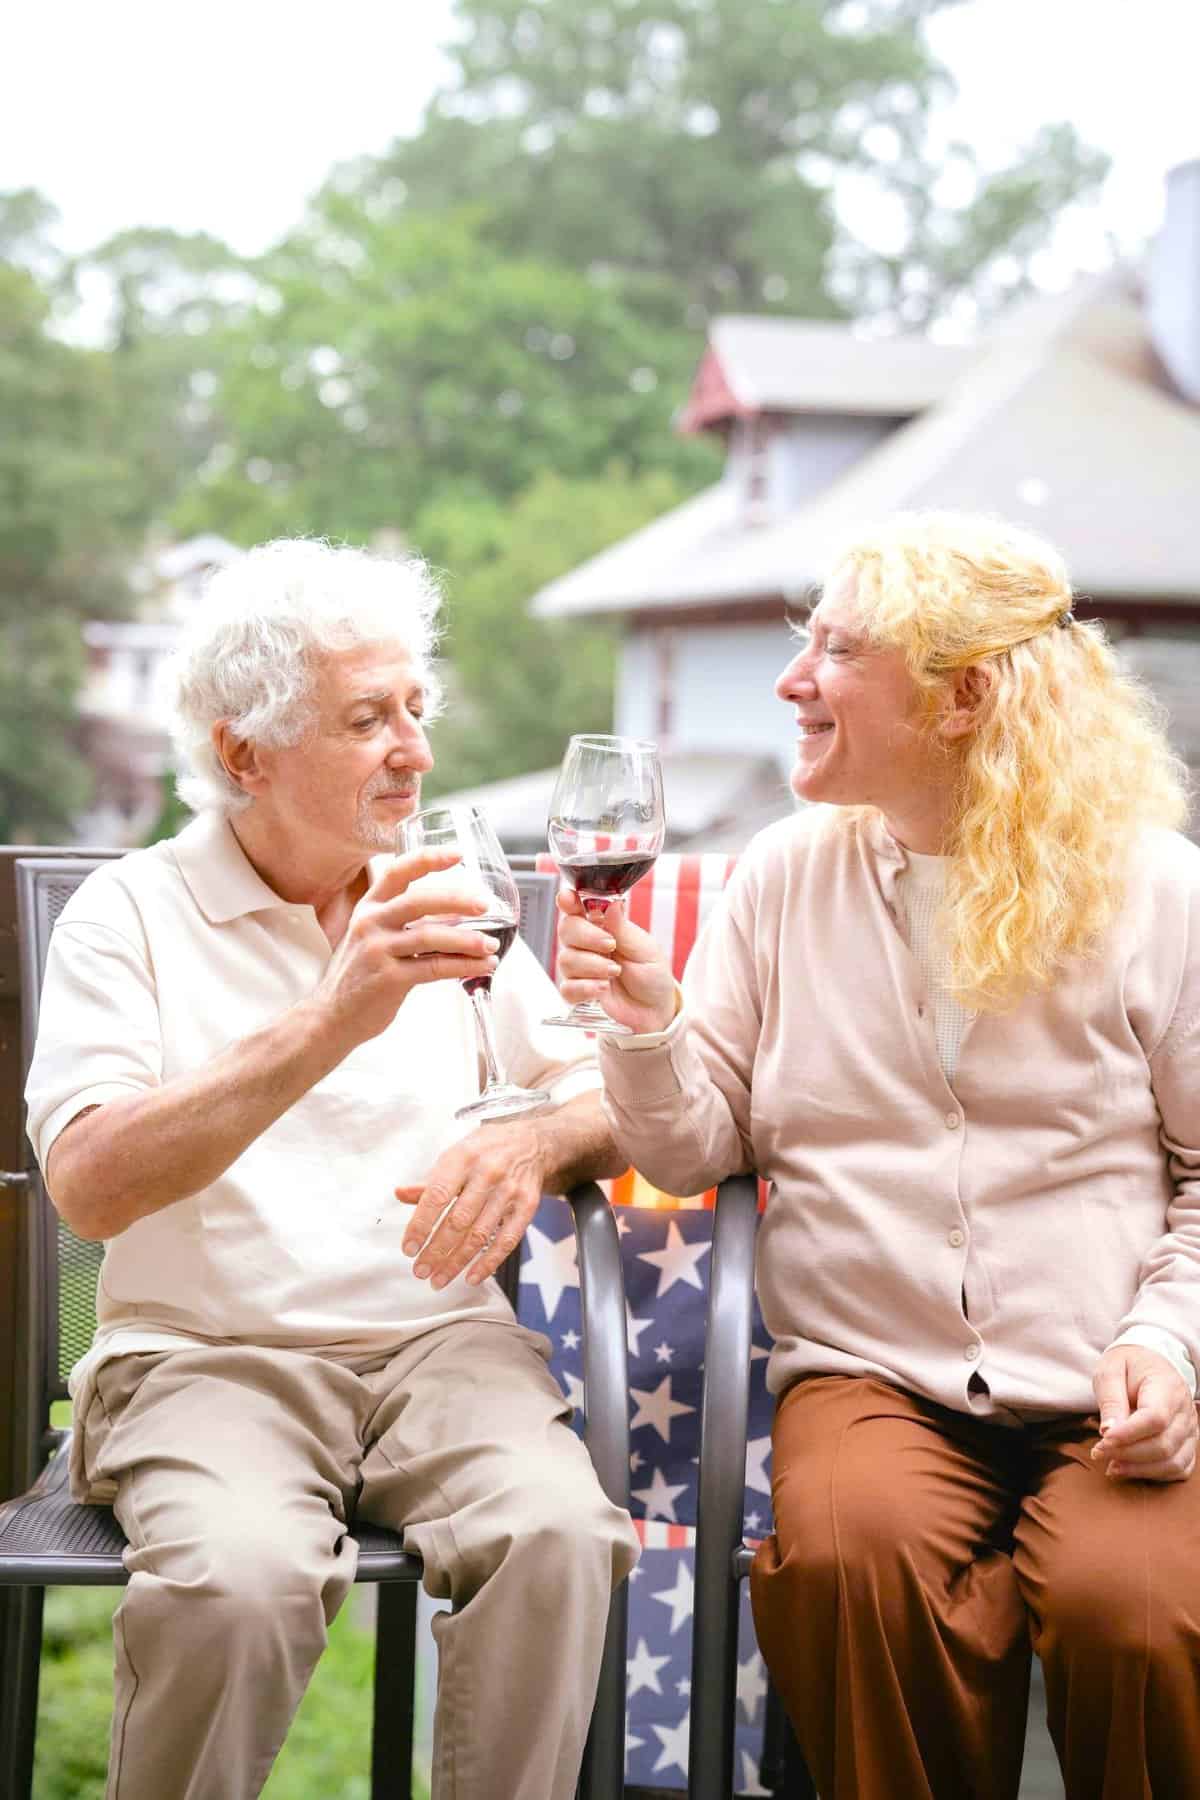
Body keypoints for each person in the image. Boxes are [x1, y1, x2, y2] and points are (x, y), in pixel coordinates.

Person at [556, 512, 1200, 1799]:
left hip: (1112, 1378)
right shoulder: (785, 878)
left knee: (1137, 1608)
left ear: (963, 698)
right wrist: (645, 1027)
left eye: (838, 652)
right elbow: (692, 1151)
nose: (793, 680)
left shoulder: (1154, 889)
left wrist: (1171, 1342)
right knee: (853, 1568)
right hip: (868, 1375)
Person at [25, 537, 639, 1800]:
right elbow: (87, 1184)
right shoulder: (129, 915)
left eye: (417, 709)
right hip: (206, 1354)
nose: (414, 749)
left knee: (560, 1535)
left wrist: (531, 1139)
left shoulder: (446, 897)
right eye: (368, 720)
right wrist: (329, 1019)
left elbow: (600, 1101)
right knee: (236, 1582)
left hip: (440, 1348)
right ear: (244, 753)